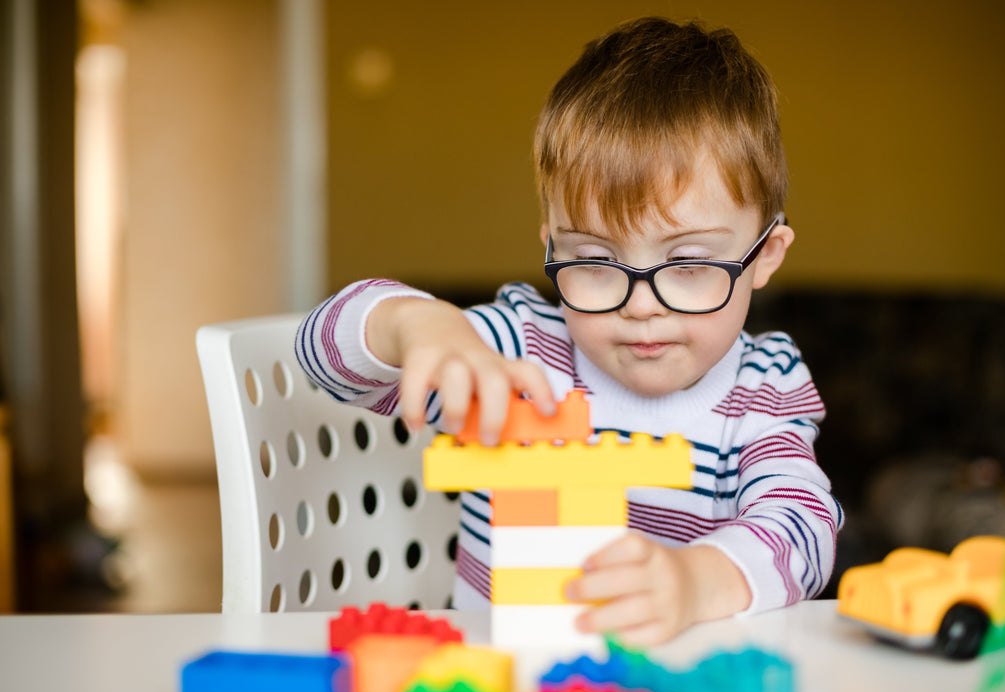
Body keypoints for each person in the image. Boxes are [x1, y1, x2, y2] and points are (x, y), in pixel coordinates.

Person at [296, 16, 842, 646]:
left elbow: (802, 523)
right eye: (594, 261)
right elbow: (319, 355)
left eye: (690, 264)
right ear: (552, 247)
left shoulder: (765, 385)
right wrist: (416, 325)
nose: (641, 306)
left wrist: (695, 582)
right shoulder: (518, 350)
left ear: (765, 256)